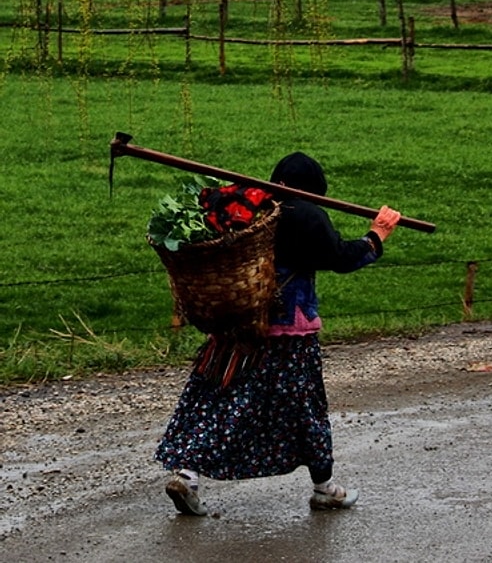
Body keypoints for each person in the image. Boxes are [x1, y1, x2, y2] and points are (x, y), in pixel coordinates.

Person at [154, 151, 401, 515]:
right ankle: (325, 488)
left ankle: (187, 476)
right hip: (289, 335)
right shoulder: (305, 214)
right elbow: (339, 257)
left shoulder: (251, 209)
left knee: (217, 403)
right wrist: (376, 236)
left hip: (236, 328)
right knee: (306, 411)